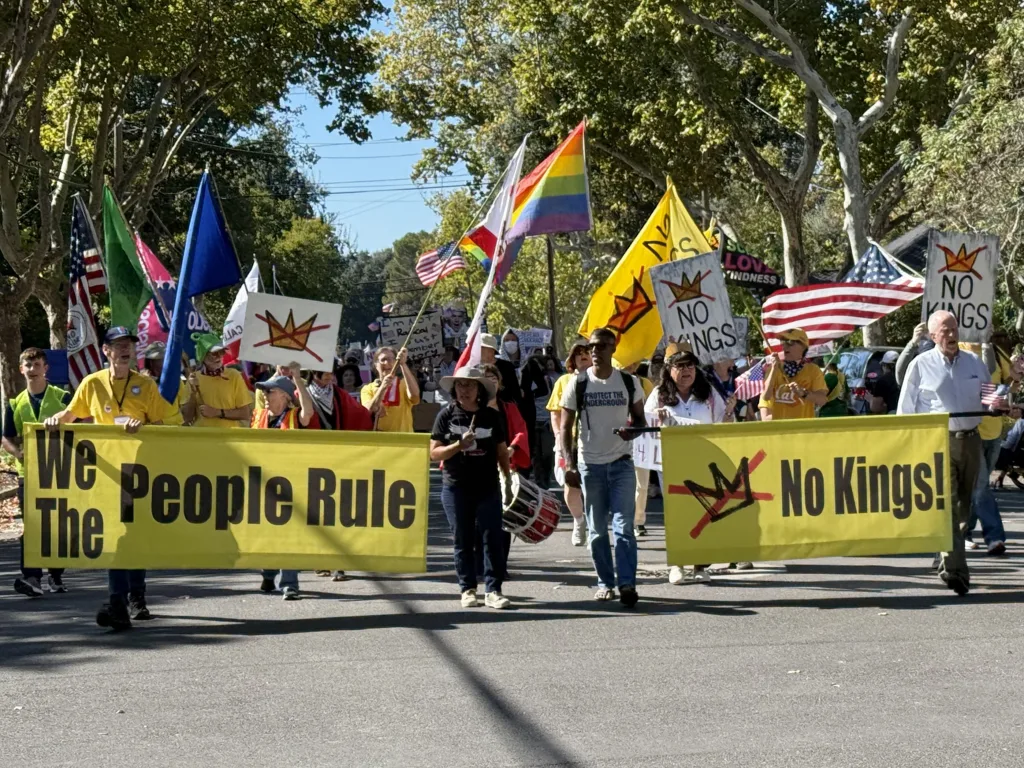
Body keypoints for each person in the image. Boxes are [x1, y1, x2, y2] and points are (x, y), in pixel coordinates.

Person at [43, 327, 179, 630]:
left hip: (136, 470)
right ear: (106, 351)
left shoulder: (145, 385)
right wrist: (55, 420)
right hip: (103, 471)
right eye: (117, 345)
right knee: (117, 536)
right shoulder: (92, 384)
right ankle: (121, 600)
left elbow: (160, 427)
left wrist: (141, 425)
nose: (124, 350)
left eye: (129, 345)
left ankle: (132, 598)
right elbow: (70, 415)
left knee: (131, 536)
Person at [897, 310, 1005, 596]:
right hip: (937, 441)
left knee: (965, 506)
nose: (952, 334)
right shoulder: (920, 365)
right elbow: (905, 411)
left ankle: (947, 557)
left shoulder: (973, 363)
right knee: (949, 504)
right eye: (945, 330)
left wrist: (1002, 403)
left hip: (971, 441)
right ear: (933, 336)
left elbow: (989, 397)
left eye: (954, 328)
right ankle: (956, 570)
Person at [561, 328, 646, 607]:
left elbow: (640, 421)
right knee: (597, 530)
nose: (595, 351)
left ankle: (627, 584)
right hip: (590, 466)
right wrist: (569, 464)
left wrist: (630, 432)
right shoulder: (579, 383)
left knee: (624, 527)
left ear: (614, 348)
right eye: (592, 347)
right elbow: (565, 427)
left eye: (601, 346)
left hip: (621, 463)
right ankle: (605, 582)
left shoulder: (629, 382)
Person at [647, 349, 737, 584]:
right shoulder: (658, 395)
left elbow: (722, 425)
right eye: (681, 366)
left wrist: (729, 410)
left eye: (690, 366)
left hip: (704, 462)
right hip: (671, 464)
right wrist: (657, 418)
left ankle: (700, 564)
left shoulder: (708, 393)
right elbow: (645, 428)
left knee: (704, 512)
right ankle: (677, 564)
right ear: (669, 370)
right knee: (677, 514)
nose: (687, 371)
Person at [430, 366, 514, 609]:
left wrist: (507, 480)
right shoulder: (445, 415)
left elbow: (501, 451)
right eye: (460, 385)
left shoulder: (493, 416)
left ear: (479, 389)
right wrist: (458, 445)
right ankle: (467, 588)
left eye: (469, 385)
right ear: (454, 389)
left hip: (488, 486)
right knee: (462, 539)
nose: (464, 390)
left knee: (492, 537)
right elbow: (434, 453)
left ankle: (494, 590)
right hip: (456, 487)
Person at [3, 348, 72, 598]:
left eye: (37, 364)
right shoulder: (16, 403)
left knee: (56, 523)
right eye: (28, 365)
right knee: (31, 525)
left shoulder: (62, 398)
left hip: (58, 470)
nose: (32, 369)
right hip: (29, 473)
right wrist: (18, 453)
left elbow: (82, 425)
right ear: (21, 369)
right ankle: (31, 576)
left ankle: (56, 574)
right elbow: (7, 437)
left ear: (46, 369)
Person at [252, 367, 318, 599]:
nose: (265, 396)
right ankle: (269, 573)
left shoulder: (294, 416)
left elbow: (308, 411)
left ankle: (289, 584)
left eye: (270, 392)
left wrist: (298, 379)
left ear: (286, 396)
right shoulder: (258, 416)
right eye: (265, 392)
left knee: (289, 533)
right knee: (268, 534)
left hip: (291, 484)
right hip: (263, 484)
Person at [547, 342, 592, 545]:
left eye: (587, 353)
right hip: (569, 443)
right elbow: (555, 413)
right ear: (572, 360)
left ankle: (594, 525)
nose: (583, 357)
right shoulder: (563, 381)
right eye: (579, 354)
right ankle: (579, 521)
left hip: (594, 441)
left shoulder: (603, 381)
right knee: (571, 485)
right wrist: (558, 435)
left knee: (593, 486)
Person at [184, 332, 253, 428]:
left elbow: (245, 413)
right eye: (214, 353)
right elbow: (186, 419)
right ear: (203, 356)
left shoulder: (234, 376)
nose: (220, 356)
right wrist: (192, 394)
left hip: (230, 436)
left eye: (222, 352)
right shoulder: (194, 378)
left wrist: (217, 412)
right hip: (204, 438)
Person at [758, 329, 827, 420]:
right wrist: (774, 369)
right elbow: (766, 397)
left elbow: (822, 400)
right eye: (783, 342)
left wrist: (804, 393)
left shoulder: (813, 370)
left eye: (790, 342)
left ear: (803, 346)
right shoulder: (773, 369)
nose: (784, 346)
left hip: (802, 430)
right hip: (779, 431)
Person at [625, 361, 656, 537]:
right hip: (618, 439)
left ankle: (638, 520)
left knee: (642, 483)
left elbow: (652, 408)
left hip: (641, 438)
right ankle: (623, 519)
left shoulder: (645, 383)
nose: (632, 364)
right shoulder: (611, 381)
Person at [362, 346, 421, 432]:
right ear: (375, 364)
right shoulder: (368, 389)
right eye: (383, 360)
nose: (387, 363)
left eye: (391, 359)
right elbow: (368, 411)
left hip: (403, 439)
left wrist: (403, 364)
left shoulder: (404, 384)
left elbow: (415, 397)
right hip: (379, 440)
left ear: (396, 363)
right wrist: (382, 388)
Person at [139, 341, 187, 425]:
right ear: (150, 362)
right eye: (160, 359)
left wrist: (163, 422)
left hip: (173, 431)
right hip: (149, 432)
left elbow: (184, 411)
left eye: (166, 358)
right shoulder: (140, 381)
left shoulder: (176, 380)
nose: (165, 361)